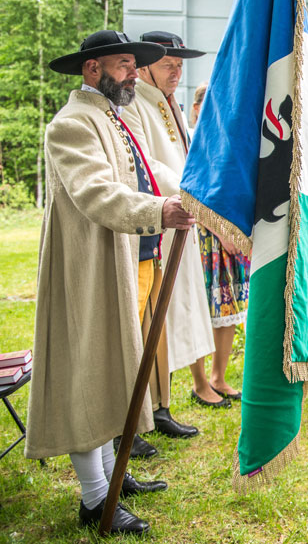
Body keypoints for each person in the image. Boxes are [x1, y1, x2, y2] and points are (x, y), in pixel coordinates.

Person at [25, 30, 196, 534]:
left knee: (110, 368)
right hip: (86, 264)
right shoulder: (71, 124)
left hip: (121, 256)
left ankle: (110, 478)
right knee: (88, 373)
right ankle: (95, 497)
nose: (131, 75)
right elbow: (97, 192)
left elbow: (145, 172)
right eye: (123, 65)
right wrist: (158, 211)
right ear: (92, 68)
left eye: (132, 66)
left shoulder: (112, 117)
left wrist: (185, 196)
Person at [121, 31, 227, 411]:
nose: (176, 73)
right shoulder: (134, 103)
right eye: (168, 65)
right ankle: (148, 404)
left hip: (182, 219)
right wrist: (189, 194)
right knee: (155, 315)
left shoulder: (170, 105)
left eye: (180, 66)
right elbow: (146, 163)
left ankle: (161, 404)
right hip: (158, 223)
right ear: (145, 67)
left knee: (177, 311)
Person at [189, 81, 250, 400]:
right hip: (202, 237)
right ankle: (199, 382)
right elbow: (187, 195)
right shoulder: (190, 141)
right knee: (200, 309)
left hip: (232, 237)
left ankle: (218, 377)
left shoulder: (226, 141)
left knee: (228, 308)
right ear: (197, 108)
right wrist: (220, 231)